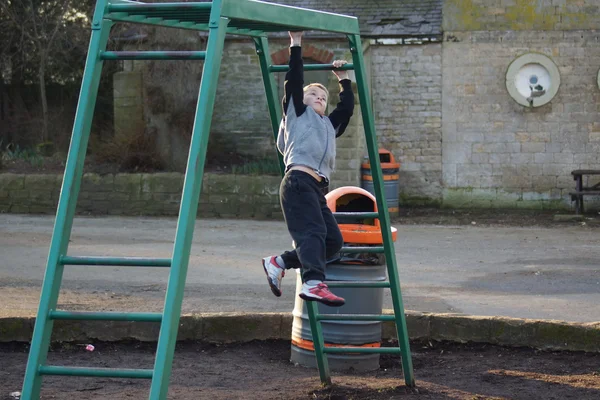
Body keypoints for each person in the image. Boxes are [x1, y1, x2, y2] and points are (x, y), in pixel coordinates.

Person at [261, 31, 354, 307]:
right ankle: (314, 283)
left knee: (333, 242)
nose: (318, 97)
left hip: (316, 187)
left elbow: (346, 109)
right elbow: (294, 80)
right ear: (300, 100)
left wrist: (344, 81)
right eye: (313, 93)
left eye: (323, 97)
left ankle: (279, 262)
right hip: (298, 181)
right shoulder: (296, 114)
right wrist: (296, 44)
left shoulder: (328, 125)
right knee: (312, 232)